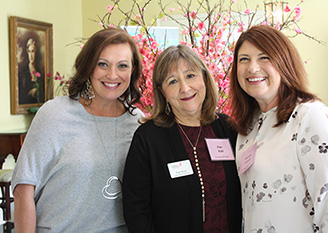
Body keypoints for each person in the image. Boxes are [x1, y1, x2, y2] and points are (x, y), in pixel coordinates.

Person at [11, 28, 144, 232]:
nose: (112, 74)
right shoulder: (54, 115)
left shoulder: (139, 123)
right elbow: (23, 191)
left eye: (122, 66)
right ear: (88, 66)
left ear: (133, 70)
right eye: (102, 64)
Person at [229, 25, 328, 232]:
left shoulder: (309, 116)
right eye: (244, 59)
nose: (252, 68)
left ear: (284, 63)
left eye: (264, 57)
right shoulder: (248, 127)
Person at [123, 44, 242, 233]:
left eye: (190, 76)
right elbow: (136, 209)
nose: (185, 88)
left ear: (204, 77)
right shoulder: (148, 138)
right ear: (163, 92)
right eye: (172, 81)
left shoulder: (227, 129)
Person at [18, 31, 45, 104]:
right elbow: (21, 93)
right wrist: (31, 93)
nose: (31, 55)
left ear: (35, 53)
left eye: (32, 51)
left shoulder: (39, 71)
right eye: (29, 52)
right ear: (27, 52)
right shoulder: (23, 70)